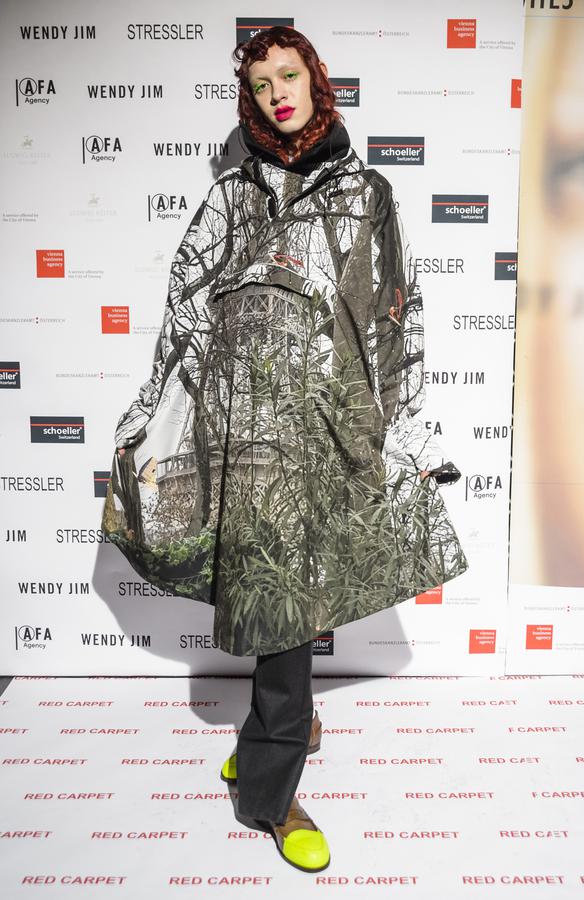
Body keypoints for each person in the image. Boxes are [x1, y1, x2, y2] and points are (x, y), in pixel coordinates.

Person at [106, 24, 468, 874]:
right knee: (277, 603)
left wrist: (408, 426)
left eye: (289, 75)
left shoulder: (366, 193)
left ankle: (265, 750)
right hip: (246, 435)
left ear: (315, 81)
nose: (277, 93)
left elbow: (393, 315)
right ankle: (270, 793)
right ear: (251, 98)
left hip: (332, 425)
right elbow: (184, 321)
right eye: (262, 82)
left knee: (312, 593)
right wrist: (153, 419)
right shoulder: (228, 199)